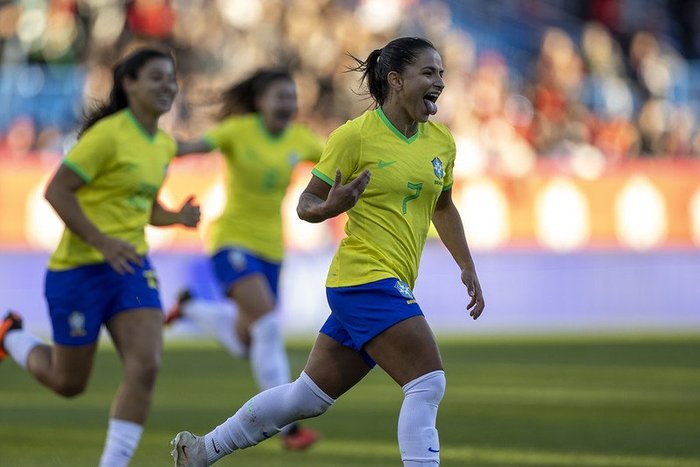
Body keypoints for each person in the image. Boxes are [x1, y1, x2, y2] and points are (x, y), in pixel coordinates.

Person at [170, 36, 485, 467]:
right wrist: (331, 206)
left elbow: (444, 207)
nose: (440, 83)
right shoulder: (354, 137)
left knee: (306, 398)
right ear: (395, 80)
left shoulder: (442, 143)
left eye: (441, 74)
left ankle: (203, 450)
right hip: (364, 279)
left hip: (383, 282)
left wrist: (466, 265)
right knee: (427, 382)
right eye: (428, 73)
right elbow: (306, 204)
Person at [0, 47, 201, 467]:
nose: (168, 86)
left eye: (172, 77)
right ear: (129, 84)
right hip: (79, 271)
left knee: (145, 365)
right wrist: (103, 242)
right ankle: (10, 336)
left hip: (130, 268)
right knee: (68, 382)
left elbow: (142, 206)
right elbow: (57, 191)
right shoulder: (107, 135)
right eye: (157, 77)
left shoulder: (162, 145)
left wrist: (176, 216)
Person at [163, 68, 324, 450]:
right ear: (259, 101)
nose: (288, 104)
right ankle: (290, 429)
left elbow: (344, 155)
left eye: (292, 98)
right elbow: (191, 148)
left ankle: (190, 309)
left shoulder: (301, 139)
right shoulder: (238, 131)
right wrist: (152, 141)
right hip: (231, 240)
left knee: (246, 340)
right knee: (267, 325)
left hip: (271, 249)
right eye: (280, 97)